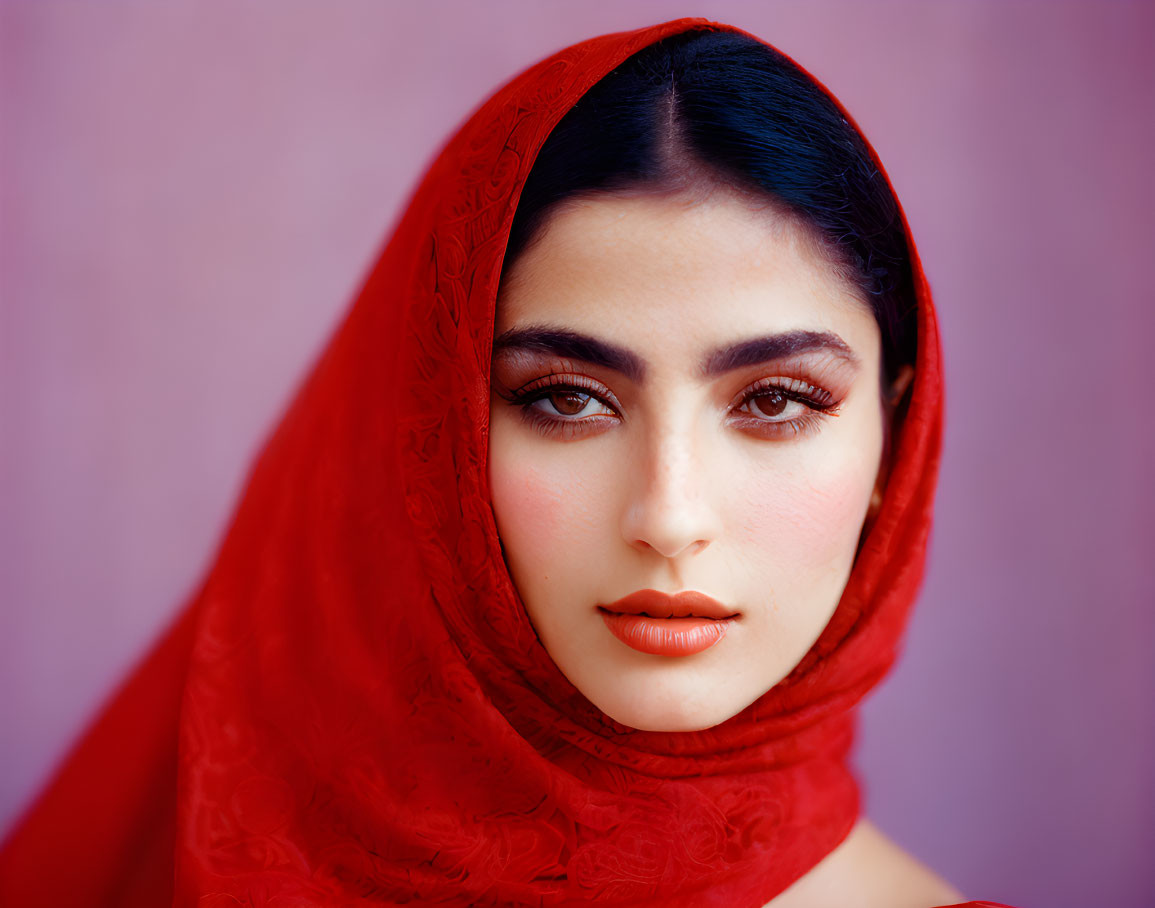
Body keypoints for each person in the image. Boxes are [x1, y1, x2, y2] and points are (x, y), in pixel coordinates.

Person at [0, 17, 1019, 908]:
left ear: (895, 434)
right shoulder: (218, 822)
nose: (668, 516)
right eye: (565, 399)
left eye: (775, 401)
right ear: (437, 436)